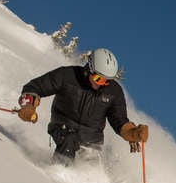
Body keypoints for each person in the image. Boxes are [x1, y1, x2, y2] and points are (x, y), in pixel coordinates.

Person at [16, 48, 149, 164]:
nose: (101, 84)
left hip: (92, 139)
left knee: (93, 167)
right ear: (89, 69)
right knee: (69, 139)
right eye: (98, 78)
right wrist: (28, 105)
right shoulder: (67, 76)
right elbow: (35, 87)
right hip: (62, 126)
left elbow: (119, 119)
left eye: (107, 81)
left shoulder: (114, 92)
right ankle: (58, 175)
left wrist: (131, 132)